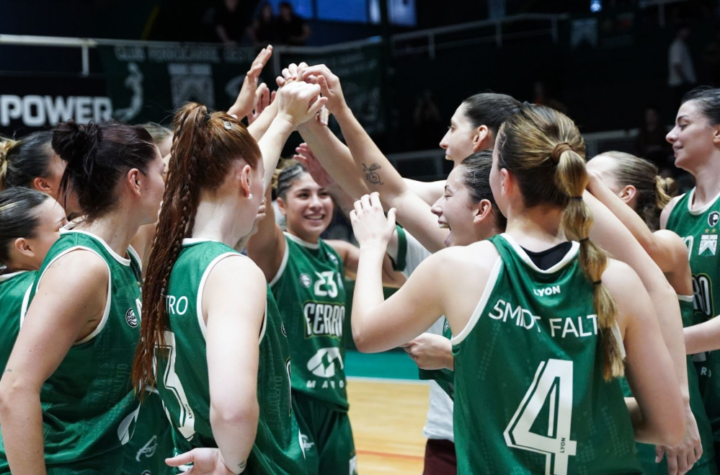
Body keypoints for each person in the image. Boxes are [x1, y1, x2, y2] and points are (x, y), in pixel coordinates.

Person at [348, 104, 685, 473]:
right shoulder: (619, 279)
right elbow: (669, 427)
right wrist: (579, 412)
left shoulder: (457, 268)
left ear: (503, 181)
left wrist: (372, 246)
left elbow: (366, 334)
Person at [132, 82, 326, 475]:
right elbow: (232, 410)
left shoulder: (166, 264)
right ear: (246, 180)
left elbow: (245, 171)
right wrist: (232, 463)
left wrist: (284, 118)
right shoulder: (231, 273)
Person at [0, 120, 165, 473]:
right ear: (136, 181)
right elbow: (15, 389)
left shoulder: (123, 251)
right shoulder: (82, 268)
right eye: (163, 172)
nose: (169, 184)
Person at [246, 152, 404, 475]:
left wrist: (340, 188)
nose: (316, 203)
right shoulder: (275, 250)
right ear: (281, 205)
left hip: (334, 402)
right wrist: (278, 134)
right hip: (290, 405)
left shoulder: (337, 254)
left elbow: (398, 273)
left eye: (323, 194)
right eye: (304, 195)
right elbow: (257, 202)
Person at [587, 151, 716, 474]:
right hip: (617, 423)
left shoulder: (666, 242)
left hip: (676, 422)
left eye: (592, 180)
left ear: (625, 194)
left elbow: (643, 251)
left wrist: (584, 183)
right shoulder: (580, 255)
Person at [663, 87, 720, 471]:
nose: (671, 135)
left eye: (683, 124)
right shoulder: (672, 213)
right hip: (694, 392)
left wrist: (657, 346)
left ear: (717, 132)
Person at [0, 188, 66, 371]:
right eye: (61, 227)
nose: (73, 234)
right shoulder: (36, 291)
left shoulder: (9, 283)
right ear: (25, 247)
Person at [635, 107, 674, 174]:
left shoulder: (663, 131)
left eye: (652, 115)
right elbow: (638, 149)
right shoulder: (642, 133)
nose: (650, 117)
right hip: (647, 163)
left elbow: (669, 148)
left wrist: (659, 148)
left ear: (656, 116)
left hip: (662, 162)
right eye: (648, 115)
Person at [669, 27, 697, 108]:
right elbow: (676, 66)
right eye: (684, 30)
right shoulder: (677, 46)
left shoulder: (682, 45)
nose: (687, 32)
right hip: (680, 85)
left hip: (684, 84)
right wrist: (685, 81)